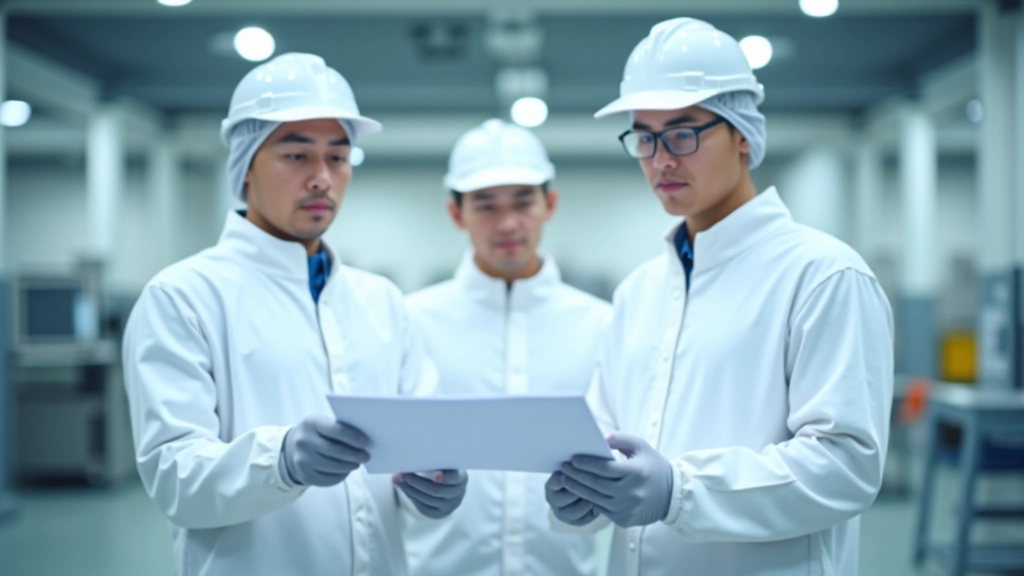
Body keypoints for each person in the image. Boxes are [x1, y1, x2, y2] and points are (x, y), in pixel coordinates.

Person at [544, 18, 894, 576]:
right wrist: (581, 497)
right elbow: (605, 439)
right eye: (644, 136)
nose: (660, 159)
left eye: (682, 133)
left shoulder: (823, 275)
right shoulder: (638, 293)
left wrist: (681, 491)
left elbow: (845, 465)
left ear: (743, 133)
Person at [122, 52, 467, 576]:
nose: (323, 179)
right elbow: (173, 478)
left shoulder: (381, 301)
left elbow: (420, 446)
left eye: (338, 157)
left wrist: (436, 487)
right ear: (244, 165)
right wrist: (278, 459)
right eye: (297, 156)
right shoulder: (183, 296)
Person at [401, 119, 612, 576]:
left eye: (523, 202)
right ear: (456, 214)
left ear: (549, 204)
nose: (508, 223)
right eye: (486, 206)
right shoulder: (409, 322)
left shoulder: (601, 324)